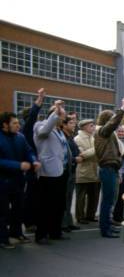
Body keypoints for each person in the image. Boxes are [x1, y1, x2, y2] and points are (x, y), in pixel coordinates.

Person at [33, 101, 72, 244]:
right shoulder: (40, 126)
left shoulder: (60, 130)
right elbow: (44, 131)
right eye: (61, 115)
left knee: (58, 204)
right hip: (48, 173)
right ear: (53, 115)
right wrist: (56, 112)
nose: (64, 118)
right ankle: (41, 234)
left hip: (61, 171)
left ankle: (55, 231)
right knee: (46, 205)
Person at [0, 112, 40, 248]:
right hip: (2, 181)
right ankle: (3, 239)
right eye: (15, 123)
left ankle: (16, 233)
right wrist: (18, 165)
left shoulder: (20, 137)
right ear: (5, 125)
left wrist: (34, 161)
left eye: (18, 123)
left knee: (18, 209)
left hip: (18, 180)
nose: (18, 125)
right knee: (3, 211)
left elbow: (29, 151)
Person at [95, 98, 124, 238]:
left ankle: (108, 225)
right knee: (107, 201)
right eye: (113, 120)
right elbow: (113, 124)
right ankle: (105, 229)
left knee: (110, 201)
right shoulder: (103, 132)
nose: (117, 123)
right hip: (107, 168)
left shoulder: (105, 134)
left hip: (111, 169)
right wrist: (122, 109)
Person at [20, 88, 45, 232]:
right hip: (29, 168)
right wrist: (39, 100)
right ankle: (29, 223)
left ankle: (33, 220)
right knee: (29, 197)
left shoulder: (34, 130)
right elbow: (32, 116)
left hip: (36, 167)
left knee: (35, 196)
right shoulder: (27, 129)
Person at [74, 119, 100, 224]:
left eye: (93, 125)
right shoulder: (77, 139)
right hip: (82, 172)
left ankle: (91, 215)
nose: (93, 127)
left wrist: (94, 151)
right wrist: (96, 149)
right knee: (81, 197)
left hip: (95, 171)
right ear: (84, 127)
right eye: (91, 125)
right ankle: (80, 217)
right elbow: (81, 154)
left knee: (94, 196)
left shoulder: (94, 138)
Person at [61, 116, 83, 232]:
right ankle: (63, 223)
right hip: (66, 171)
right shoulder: (63, 137)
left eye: (74, 123)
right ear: (64, 125)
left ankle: (68, 221)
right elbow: (65, 155)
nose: (73, 125)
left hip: (72, 170)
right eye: (70, 123)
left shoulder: (71, 137)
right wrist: (75, 159)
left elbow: (77, 151)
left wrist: (78, 156)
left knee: (69, 198)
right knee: (64, 198)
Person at [113, 123, 124, 223]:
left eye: (123, 131)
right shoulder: (116, 141)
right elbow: (123, 154)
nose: (122, 133)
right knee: (119, 196)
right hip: (120, 172)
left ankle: (122, 214)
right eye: (120, 131)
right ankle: (117, 216)